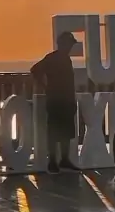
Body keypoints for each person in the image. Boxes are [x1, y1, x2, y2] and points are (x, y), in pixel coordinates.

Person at [30, 31, 80, 174]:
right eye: (68, 44)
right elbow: (35, 70)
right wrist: (45, 86)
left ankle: (64, 159)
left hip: (67, 100)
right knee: (54, 131)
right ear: (62, 44)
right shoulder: (52, 58)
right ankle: (52, 161)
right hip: (56, 100)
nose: (70, 47)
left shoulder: (66, 59)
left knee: (66, 131)